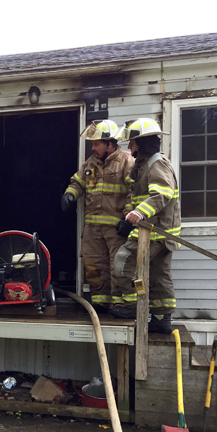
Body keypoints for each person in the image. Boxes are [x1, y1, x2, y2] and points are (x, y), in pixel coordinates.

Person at [111, 118, 181, 334]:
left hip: (154, 230)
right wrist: (127, 218)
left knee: (123, 261)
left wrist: (139, 213)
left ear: (141, 143)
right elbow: (135, 198)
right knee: (160, 275)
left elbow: (162, 194)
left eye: (132, 143)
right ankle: (161, 318)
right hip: (157, 231)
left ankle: (132, 306)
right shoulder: (141, 166)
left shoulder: (156, 163)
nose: (129, 147)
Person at [62, 120, 134, 313]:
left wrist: (127, 218)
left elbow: (134, 192)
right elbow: (77, 182)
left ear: (110, 144)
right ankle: (100, 301)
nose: (92, 147)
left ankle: (120, 304)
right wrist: (70, 194)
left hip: (116, 228)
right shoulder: (90, 163)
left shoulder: (126, 162)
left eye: (96, 144)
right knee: (93, 264)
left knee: (117, 266)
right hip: (93, 229)